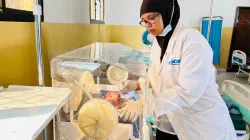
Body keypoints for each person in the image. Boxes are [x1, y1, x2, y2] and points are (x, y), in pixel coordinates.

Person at [118, 0, 237, 139]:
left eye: (151, 18)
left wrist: (145, 105)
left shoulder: (192, 41)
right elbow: (157, 76)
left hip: (201, 126)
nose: (147, 25)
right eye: (144, 21)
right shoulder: (157, 42)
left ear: (168, 13)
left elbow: (188, 92)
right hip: (171, 119)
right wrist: (137, 85)